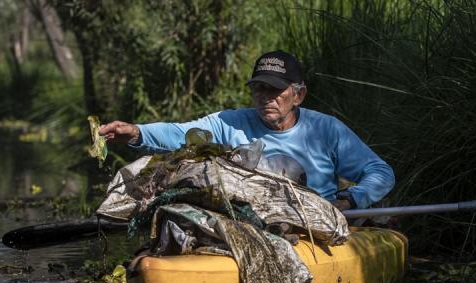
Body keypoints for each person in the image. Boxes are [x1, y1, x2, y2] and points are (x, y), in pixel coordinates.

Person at [99, 50, 395, 211]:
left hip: (316, 219)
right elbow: (181, 134)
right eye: (259, 88)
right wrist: (135, 133)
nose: (266, 97)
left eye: (275, 90)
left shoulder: (326, 129)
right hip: (254, 219)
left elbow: (380, 172)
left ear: (298, 95)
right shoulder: (230, 123)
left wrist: (351, 199)